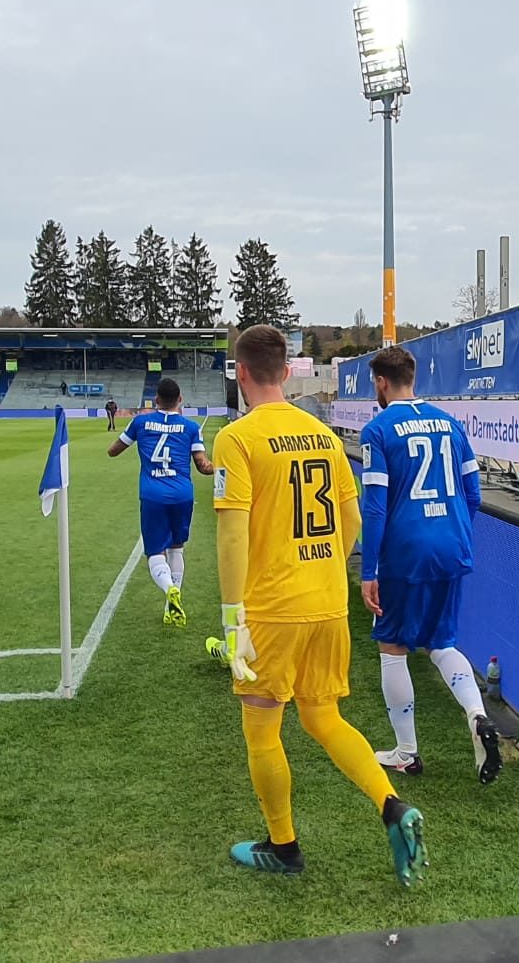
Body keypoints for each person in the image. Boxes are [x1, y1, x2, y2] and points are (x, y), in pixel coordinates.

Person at [205, 324, 427, 886]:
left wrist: (234, 618)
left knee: (262, 730)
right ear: (285, 372)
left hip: (274, 606)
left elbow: (231, 536)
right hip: (326, 602)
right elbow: (351, 519)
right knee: (323, 716)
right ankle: (392, 806)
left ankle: (284, 845)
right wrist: (325, 568)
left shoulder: (238, 438)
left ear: (243, 372)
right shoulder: (323, 434)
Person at [358, 345, 500, 784]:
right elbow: (473, 495)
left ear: (381, 382)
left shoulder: (378, 429)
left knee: (393, 645)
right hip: (452, 544)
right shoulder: (451, 424)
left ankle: (406, 752)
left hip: (407, 549)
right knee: (442, 641)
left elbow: (376, 508)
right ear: (412, 377)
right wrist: (452, 528)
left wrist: (369, 570)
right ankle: (477, 715)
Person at [109, 378, 213, 627]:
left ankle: (169, 589)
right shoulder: (190, 427)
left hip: (153, 494)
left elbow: (113, 450)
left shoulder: (141, 422)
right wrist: (223, 466)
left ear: (156, 400)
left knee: (156, 551)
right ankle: (172, 605)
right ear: (180, 400)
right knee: (177, 547)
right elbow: (203, 465)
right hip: (182, 494)